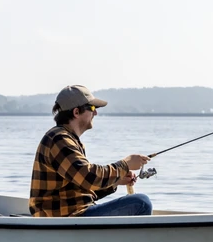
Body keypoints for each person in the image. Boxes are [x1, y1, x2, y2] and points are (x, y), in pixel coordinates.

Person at [30, 85, 152, 217]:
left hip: (71, 215)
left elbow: (82, 188)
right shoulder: (59, 139)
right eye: (92, 108)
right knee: (141, 203)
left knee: (140, 202)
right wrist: (125, 164)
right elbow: (89, 177)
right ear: (76, 112)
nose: (95, 113)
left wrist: (115, 181)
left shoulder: (66, 138)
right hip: (66, 218)